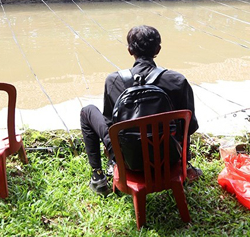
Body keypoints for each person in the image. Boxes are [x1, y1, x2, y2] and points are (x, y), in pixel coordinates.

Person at [80, 25, 201, 195]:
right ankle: (186, 165)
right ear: (158, 49)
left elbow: (110, 124)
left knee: (88, 111)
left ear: (130, 50)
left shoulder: (113, 81)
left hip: (129, 161)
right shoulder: (177, 80)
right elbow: (191, 126)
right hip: (170, 158)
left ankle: (98, 177)